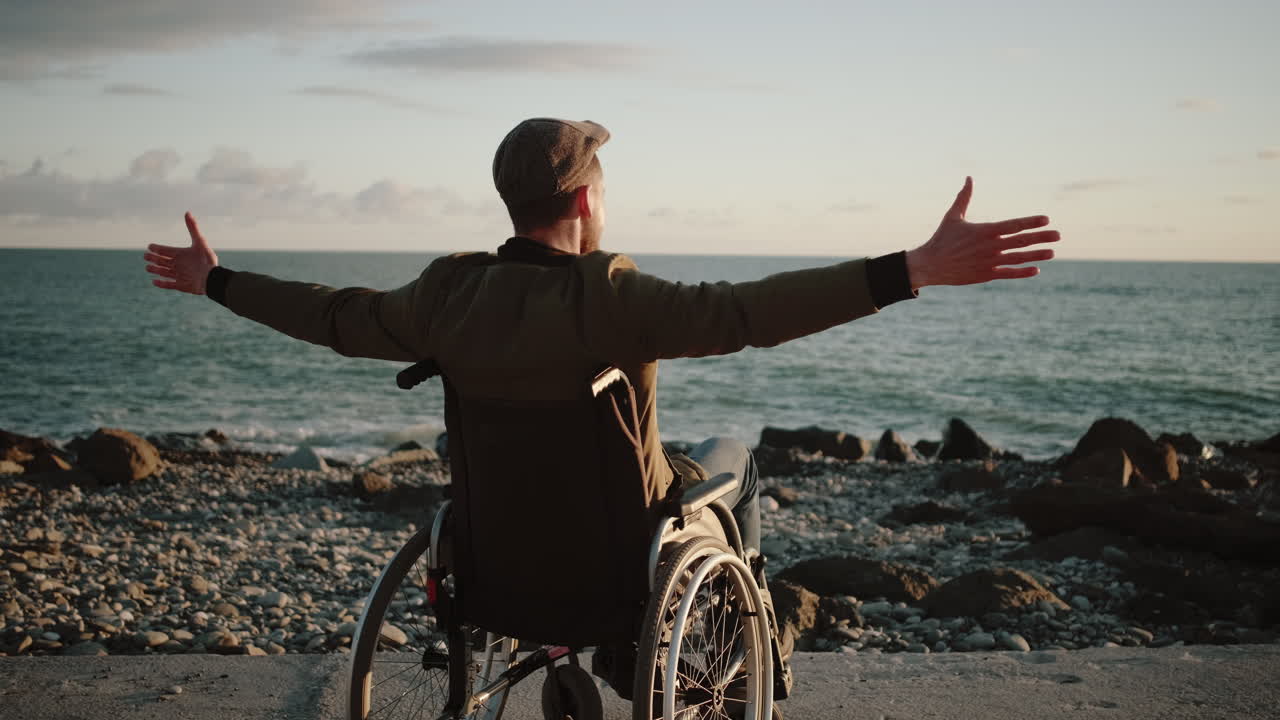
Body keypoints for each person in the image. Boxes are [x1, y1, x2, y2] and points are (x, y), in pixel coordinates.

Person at [143, 117, 1057, 710]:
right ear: (585, 201)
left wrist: (216, 280)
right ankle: (735, 671)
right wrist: (911, 270)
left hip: (500, 562)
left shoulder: (445, 294)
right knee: (733, 459)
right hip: (625, 556)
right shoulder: (609, 293)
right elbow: (748, 313)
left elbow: (331, 314)